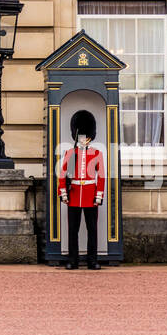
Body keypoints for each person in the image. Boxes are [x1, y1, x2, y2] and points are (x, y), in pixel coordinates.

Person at [58, 108, 104, 270]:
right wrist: (63, 193)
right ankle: (73, 260)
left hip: (90, 195)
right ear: (78, 136)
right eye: (82, 136)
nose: (84, 139)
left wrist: (99, 196)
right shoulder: (70, 153)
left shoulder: (97, 153)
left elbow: (102, 176)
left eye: (87, 136)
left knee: (92, 230)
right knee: (73, 231)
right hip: (74, 195)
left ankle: (93, 260)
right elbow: (62, 175)